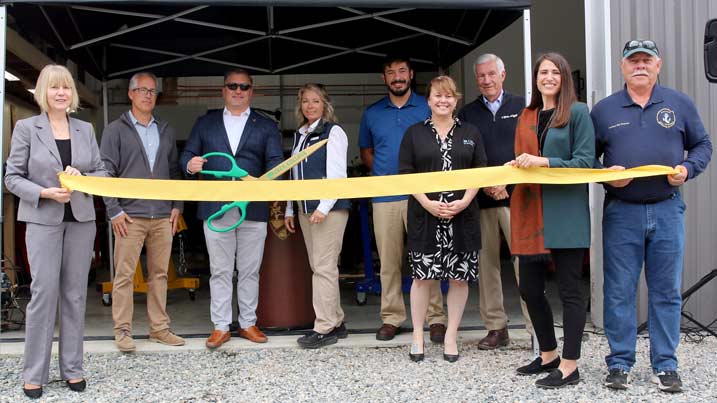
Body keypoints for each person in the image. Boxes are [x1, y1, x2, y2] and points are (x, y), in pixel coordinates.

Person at [591, 40, 712, 393]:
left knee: (666, 291)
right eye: (633, 61)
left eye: (646, 60)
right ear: (622, 67)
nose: (639, 66)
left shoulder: (679, 103)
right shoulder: (605, 110)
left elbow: (703, 145)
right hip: (622, 212)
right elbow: (588, 159)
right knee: (618, 291)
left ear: (658, 65)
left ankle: (666, 365)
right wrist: (606, 173)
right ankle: (619, 363)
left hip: (667, 207)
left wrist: (688, 170)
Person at [4, 64, 107, 398]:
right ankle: (34, 373)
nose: (61, 93)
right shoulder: (26, 128)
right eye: (54, 87)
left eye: (66, 87)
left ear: (72, 93)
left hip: (81, 220)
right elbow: (11, 178)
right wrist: (44, 192)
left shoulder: (85, 129)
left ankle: (73, 369)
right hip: (42, 220)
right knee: (44, 296)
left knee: (75, 296)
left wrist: (83, 179)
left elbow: (102, 173)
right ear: (43, 93)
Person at [508, 53, 595, 388]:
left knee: (571, 290)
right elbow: (520, 159)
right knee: (530, 288)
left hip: (565, 212)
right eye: (543, 72)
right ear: (535, 78)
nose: (548, 77)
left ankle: (571, 365)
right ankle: (548, 354)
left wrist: (542, 162)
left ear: (564, 78)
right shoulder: (527, 115)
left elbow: (585, 162)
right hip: (530, 210)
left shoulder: (577, 112)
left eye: (554, 72)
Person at [180, 69, 283, 349]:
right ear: (223, 90)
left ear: (252, 91)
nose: (238, 91)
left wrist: (267, 180)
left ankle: (248, 323)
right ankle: (221, 326)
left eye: (244, 87)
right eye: (233, 86)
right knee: (220, 270)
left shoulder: (266, 126)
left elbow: (276, 162)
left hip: (253, 209)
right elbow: (187, 156)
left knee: (250, 270)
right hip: (216, 207)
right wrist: (191, 165)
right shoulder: (205, 122)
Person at [398, 76, 487, 362]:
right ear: (429, 100)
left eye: (449, 96)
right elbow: (406, 174)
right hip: (426, 218)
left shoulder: (471, 131)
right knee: (422, 279)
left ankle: (450, 336)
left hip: (462, 218)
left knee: (459, 280)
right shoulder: (414, 133)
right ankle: (417, 336)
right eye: (438, 95)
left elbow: (480, 172)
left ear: (456, 100)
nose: (443, 100)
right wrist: (426, 203)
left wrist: (464, 202)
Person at [359, 55, 446, 342]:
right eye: (390, 73)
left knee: (427, 257)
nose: (396, 77)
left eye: (401, 71)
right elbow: (366, 152)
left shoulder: (427, 106)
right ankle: (392, 317)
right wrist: (387, 175)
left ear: (411, 75)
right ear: (383, 79)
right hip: (384, 196)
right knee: (388, 261)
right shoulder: (372, 113)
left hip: (422, 196)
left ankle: (436, 319)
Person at [100, 72, 185, 352]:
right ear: (130, 94)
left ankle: (159, 328)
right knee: (123, 276)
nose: (148, 95)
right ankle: (123, 331)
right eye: (142, 90)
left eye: (152, 91)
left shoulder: (166, 129)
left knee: (159, 275)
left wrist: (177, 206)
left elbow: (174, 172)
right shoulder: (115, 129)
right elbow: (105, 172)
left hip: (162, 215)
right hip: (129, 215)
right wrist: (114, 210)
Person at [457, 53, 533, 349]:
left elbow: (531, 149)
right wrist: (487, 185)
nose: (486, 80)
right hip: (482, 200)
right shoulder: (467, 113)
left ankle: (533, 327)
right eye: (481, 76)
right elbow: (463, 156)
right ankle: (496, 328)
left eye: (491, 74)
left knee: (525, 264)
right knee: (486, 265)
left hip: (518, 198)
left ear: (503, 74)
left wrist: (507, 182)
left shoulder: (524, 107)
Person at [284, 83, 350, 349]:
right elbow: (293, 174)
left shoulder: (333, 132)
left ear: (325, 104)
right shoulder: (300, 134)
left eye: (315, 101)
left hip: (328, 210)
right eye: (305, 101)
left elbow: (337, 175)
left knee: (323, 268)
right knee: (321, 268)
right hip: (305, 209)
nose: (310, 106)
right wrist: (291, 208)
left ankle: (323, 328)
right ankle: (336, 320)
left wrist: (323, 207)